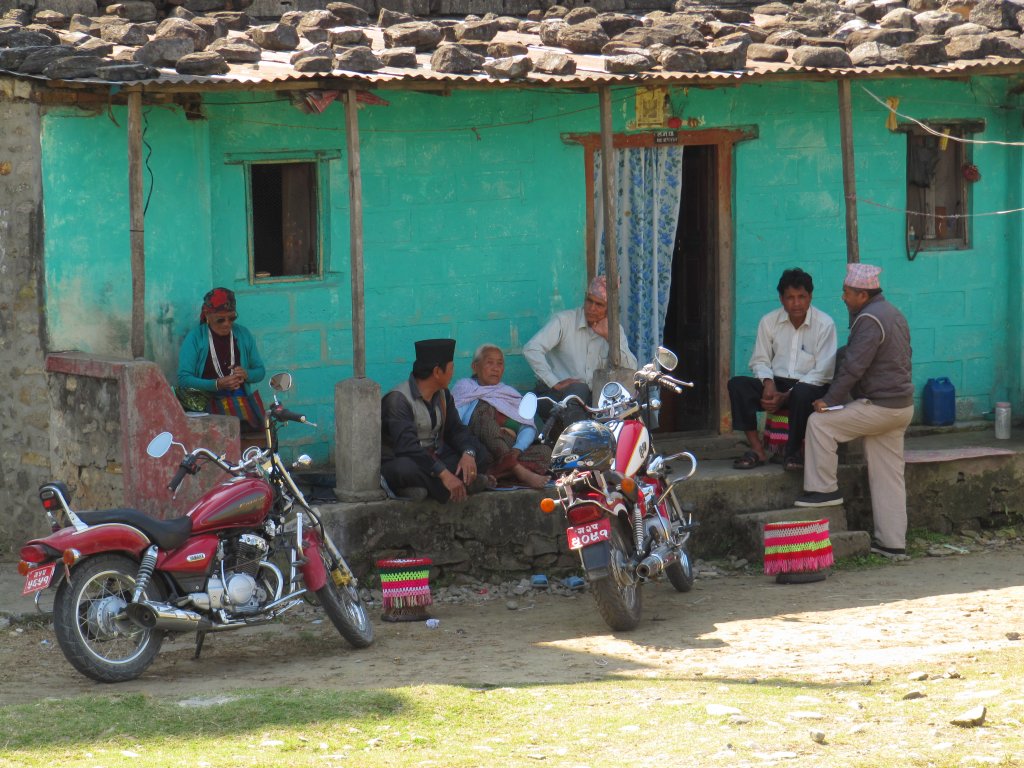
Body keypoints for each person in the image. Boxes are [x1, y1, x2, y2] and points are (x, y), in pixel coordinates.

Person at [794, 263, 914, 561]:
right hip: (901, 407)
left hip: (881, 406)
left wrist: (829, 399)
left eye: (847, 292)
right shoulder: (892, 313)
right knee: (888, 477)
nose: (843, 297)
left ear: (862, 294)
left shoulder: (870, 319)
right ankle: (893, 543)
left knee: (819, 424)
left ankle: (824, 490)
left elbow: (853, 367)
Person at [727, 268, 837, 471]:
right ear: (781, 299)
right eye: (790, 298)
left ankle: (793, 453)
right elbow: (760, 360)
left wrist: (787, 395)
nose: (796, 303)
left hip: (809, 386)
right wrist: (768, 383)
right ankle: (757, 449)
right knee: (738, 385)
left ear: (810, 297)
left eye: (801, 297)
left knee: (801, 393)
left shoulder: (824, 324)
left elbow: (823, 372)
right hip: (777, 381)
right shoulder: (769, 321)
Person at [380, 338, 491, 503]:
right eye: (451, 368)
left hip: (436, 457)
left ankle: (423, 489)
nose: (453, 373)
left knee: (480, 455)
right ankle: (453, 488)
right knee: (404, 469)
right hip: (407, 459)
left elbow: (456, 429)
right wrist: (443, 473)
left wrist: (468, 453)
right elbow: (407, 447)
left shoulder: (443, 394)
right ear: (437, 372)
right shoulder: (398, 400)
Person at [523, 274, 637, 432]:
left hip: (589, 401)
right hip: (554, 396)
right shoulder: (564, 321)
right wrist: (554, 382)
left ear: (609, 308)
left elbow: (631, 369)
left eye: (599, 304)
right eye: (589, 301)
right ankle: (580, 440)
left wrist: (609, 338)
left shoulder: (613, 330)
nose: (592, 308)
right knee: (579, 389)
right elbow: (531, 349)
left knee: (627, 399)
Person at [452, 344, 552, 489]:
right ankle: (518, 471)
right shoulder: (465, 389)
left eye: (500, 363)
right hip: (481, 449)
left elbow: (527, 426)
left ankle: (494, 474)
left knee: (545, 452)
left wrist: (517, 449)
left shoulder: (509, 393)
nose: (495, 368)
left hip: (509, 449)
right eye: (490, 362)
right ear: (475, 367)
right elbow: (455, 424)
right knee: (484, 409)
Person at [177, 287, 266, 430]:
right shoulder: (196, 338)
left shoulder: (243, 334)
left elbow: (260, 371)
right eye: (220, 320)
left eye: (231, 318)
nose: (227, 324)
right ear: (208, 315)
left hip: (238, 402)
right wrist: (217, 384)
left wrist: (246, 374)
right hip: (206, 402)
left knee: (258, 432)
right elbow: (183, 379)